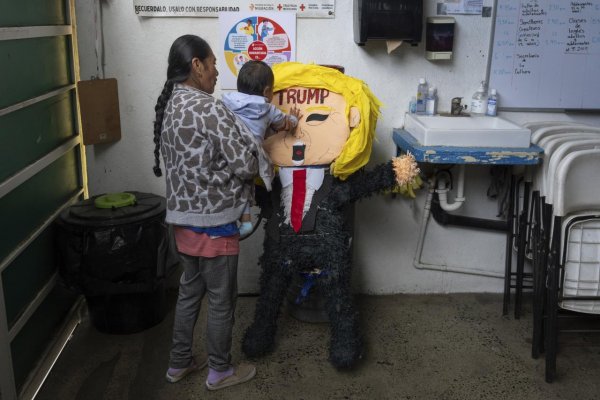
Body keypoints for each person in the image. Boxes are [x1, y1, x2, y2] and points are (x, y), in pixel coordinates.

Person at [152, 34, 270, 390]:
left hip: (181, 222)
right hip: (214, 223)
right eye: (213, 63)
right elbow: (245, 166)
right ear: (197, 65)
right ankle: (220, 371)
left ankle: (179, 363)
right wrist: (257, 150)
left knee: (189, 293)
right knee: (221, 300)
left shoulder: (171, 104)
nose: (218, 71)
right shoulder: (209, 108)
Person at [222, 60, 299, 237]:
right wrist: (294, 119)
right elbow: (284, 124)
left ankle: (227, 218)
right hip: (249, 155)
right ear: (266, 91)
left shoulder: (226, 102)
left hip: (228, 151)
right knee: (245, 184)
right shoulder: (267, 109)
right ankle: (246, 221)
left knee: (231, 184)